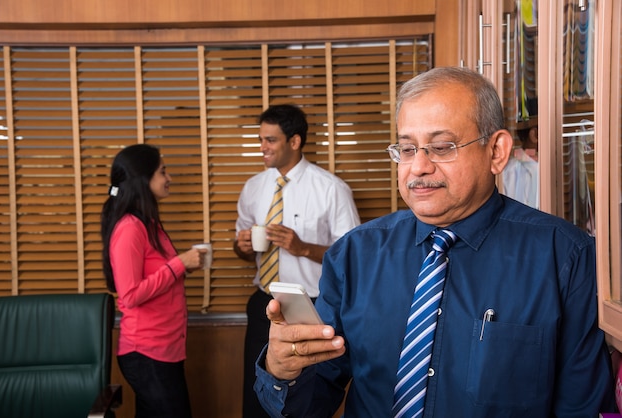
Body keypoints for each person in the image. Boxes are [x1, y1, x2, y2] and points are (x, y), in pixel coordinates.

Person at [254, 67, 617, 416]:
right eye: (407, 149)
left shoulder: (564, 257)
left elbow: (580, 406)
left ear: (496, 152)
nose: (418, 167)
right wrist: (282, 370)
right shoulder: (355, 254)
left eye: (442, 147)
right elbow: (313, 401)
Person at [233, 104, 360, 418]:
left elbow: (353, 259)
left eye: (270, 140)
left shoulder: (331, 189)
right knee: (257, 395)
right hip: (265, 304)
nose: (263, 147)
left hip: (313, 308)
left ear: (294, 141)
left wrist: (303, 248)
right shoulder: (253, 188)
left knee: (304, 400)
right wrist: (243, 245)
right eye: (261, 139)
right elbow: (242, 251)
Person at [101, 144, 207, 418]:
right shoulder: (129, 229)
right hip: (146, 351)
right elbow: (130, 295)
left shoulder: (148, 224)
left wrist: (183, 268)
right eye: (163, 171)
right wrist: (179, 264)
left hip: (165, 349)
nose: (169, 178)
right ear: (143, 180)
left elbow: (157, 276)